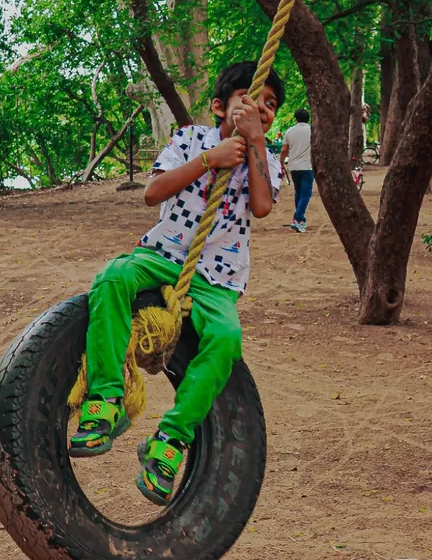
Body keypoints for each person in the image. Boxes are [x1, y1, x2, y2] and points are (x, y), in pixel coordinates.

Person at [69, 61, 283, 504]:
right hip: (163, 256)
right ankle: (106, 399)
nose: (260, 108)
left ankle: (171, 440)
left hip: (215, 279)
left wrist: (255, 146)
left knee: (225, 339)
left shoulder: (268, 157)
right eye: (251, 98)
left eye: (271, 105)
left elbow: (262, 207)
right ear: (220, 106)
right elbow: (153, 193)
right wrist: (211, 159)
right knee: (112, 278)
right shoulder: (190, 139)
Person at [280, 108, 312, 232]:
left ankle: (300, 220)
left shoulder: (290, 131)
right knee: (306, 194)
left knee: (298, 192)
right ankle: (297, 217)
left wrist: (281, 163)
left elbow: (284, 150)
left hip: (293, 167)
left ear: (296, 118)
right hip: (307, 166)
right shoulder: (311, 130)